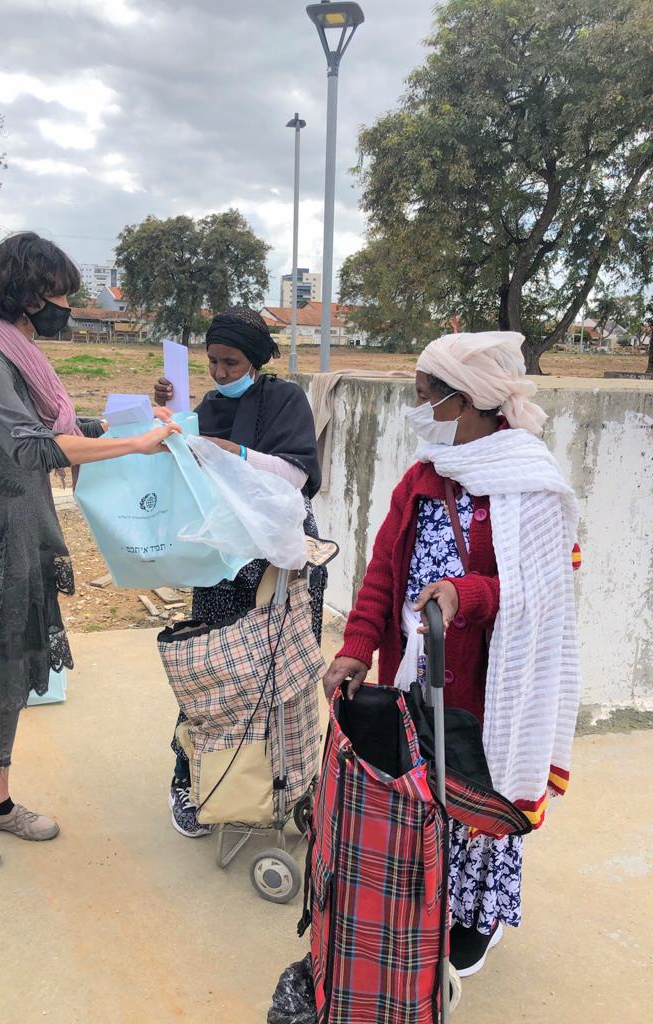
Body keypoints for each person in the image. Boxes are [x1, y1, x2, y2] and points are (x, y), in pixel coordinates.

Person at [0, 232, 179, 875]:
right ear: (28, 293)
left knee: (11, 678)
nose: (64, 305)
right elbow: (32, 447)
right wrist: (132, 449)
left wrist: (104, 428)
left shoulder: (21, 357)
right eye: (57, 293)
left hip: (20, 536)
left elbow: (53, 428)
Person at [323, 331, 581, 978]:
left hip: (493, 685)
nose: (416, 412)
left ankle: (478, 916)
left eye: (422, 399)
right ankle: (428, 896)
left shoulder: (530, 481)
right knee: (424, 791)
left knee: (477, 793)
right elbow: (384, 569)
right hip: (417, 670)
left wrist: (467, 595)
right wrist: (357, 648)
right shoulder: (421, 479)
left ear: (463, 401)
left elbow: (547, 584)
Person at [154, 306, 325, 838]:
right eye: (213, 362)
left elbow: (297, 473)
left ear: (255, 359)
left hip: (280, 557)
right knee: (213, 669)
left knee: (283, 671)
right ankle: (194, 780)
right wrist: (168, 414)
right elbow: (178, 463)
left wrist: (238, 453)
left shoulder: (285, 400)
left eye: (231, 362)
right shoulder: (204, 406)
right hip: (224, 559)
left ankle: (288, 778)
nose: (222, 373)